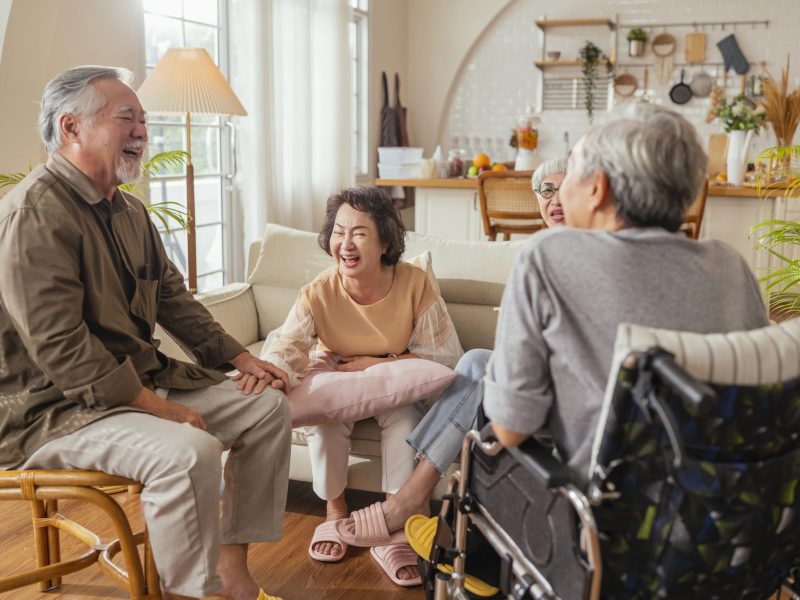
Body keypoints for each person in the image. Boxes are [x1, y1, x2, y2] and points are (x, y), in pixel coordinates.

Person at [0, 66, 291, 600]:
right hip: (53, 412)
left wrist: (241, 360)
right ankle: (190, 593)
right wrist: (162, 410)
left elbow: (174, 300)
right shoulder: (35, 213)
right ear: (71, 128)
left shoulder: (130, 211)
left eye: (144, 120)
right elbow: (62, 350)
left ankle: (231, 570)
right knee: (187, 452)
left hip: (132, 388)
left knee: (266, 408)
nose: (141, 131)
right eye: (126, 118)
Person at [485, 103, 769, 476]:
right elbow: (757, 403)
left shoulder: (548, 256)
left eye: (570, 175)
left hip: (603, 515)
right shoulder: (730, 264)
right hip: (722, 510)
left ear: (597, 188)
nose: (560, 191)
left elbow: (510, 427)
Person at [332, 157, 570, 571]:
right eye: (546, 191)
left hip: (565, 379)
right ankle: (412, 501)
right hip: (533, 370)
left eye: (565, 189)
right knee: (477, 363)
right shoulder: (538, 252)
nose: (555, 200)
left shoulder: (589, 253)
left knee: (479, 364)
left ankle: (407, 501)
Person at [250, 186, 462, 580]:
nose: (345, 244)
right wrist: (268, 378)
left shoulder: (415, 283)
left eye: (359, 233)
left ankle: (393, 523)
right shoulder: (317, 292)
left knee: (403, 419)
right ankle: (335, 511)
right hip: (337, 376)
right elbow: (288, 346)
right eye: (338, 232)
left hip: (394, 380)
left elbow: (444, 356)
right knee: (325, 420)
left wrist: (378, 363)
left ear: (384, 241)